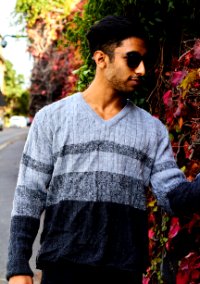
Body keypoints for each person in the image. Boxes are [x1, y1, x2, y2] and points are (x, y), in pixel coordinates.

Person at [7, 15, 200, 284]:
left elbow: (174, 198)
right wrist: (18, 266)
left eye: (144, 61)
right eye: (132, 59)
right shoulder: (52, 119)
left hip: (123, 272)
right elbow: (29, 194)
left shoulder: (151, 130)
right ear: (101, 59)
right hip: (62, 270)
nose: (142, 69)